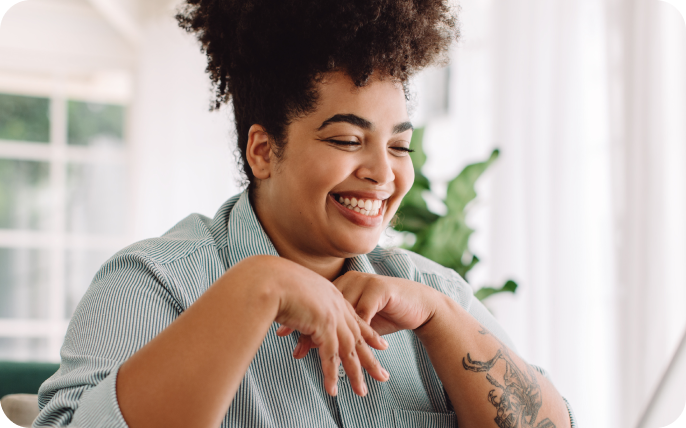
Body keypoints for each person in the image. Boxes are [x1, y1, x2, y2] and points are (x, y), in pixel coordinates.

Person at [35, 0, 576, 427]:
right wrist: (257, 287)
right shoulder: (150, 286)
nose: (383, 174)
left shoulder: (431, 295)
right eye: (346, 139)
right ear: (264, 151)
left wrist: (442, 321)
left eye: (399, 146)